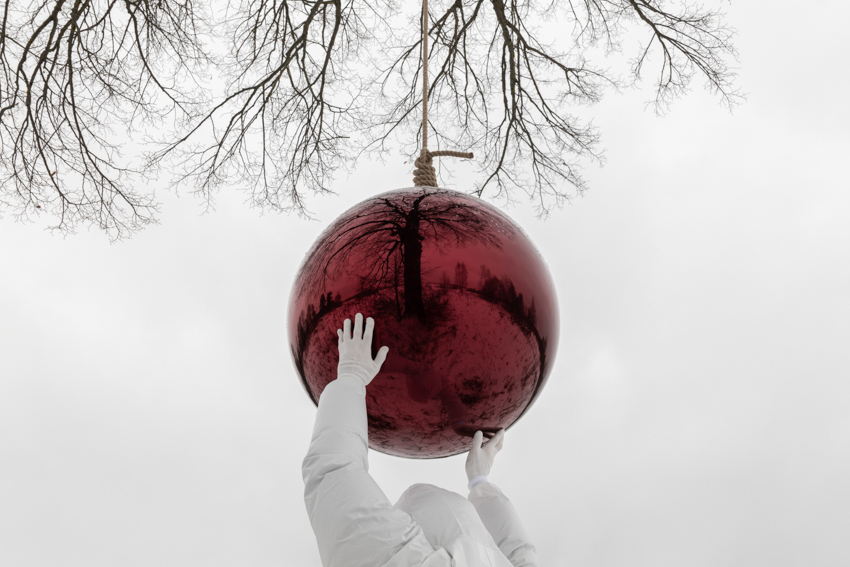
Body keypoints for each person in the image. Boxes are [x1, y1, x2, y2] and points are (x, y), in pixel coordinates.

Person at [302, 313, 540, 567]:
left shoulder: (401, 559)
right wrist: (480, 481)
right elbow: (520, 554)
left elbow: (334, 475)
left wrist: (352, 376)